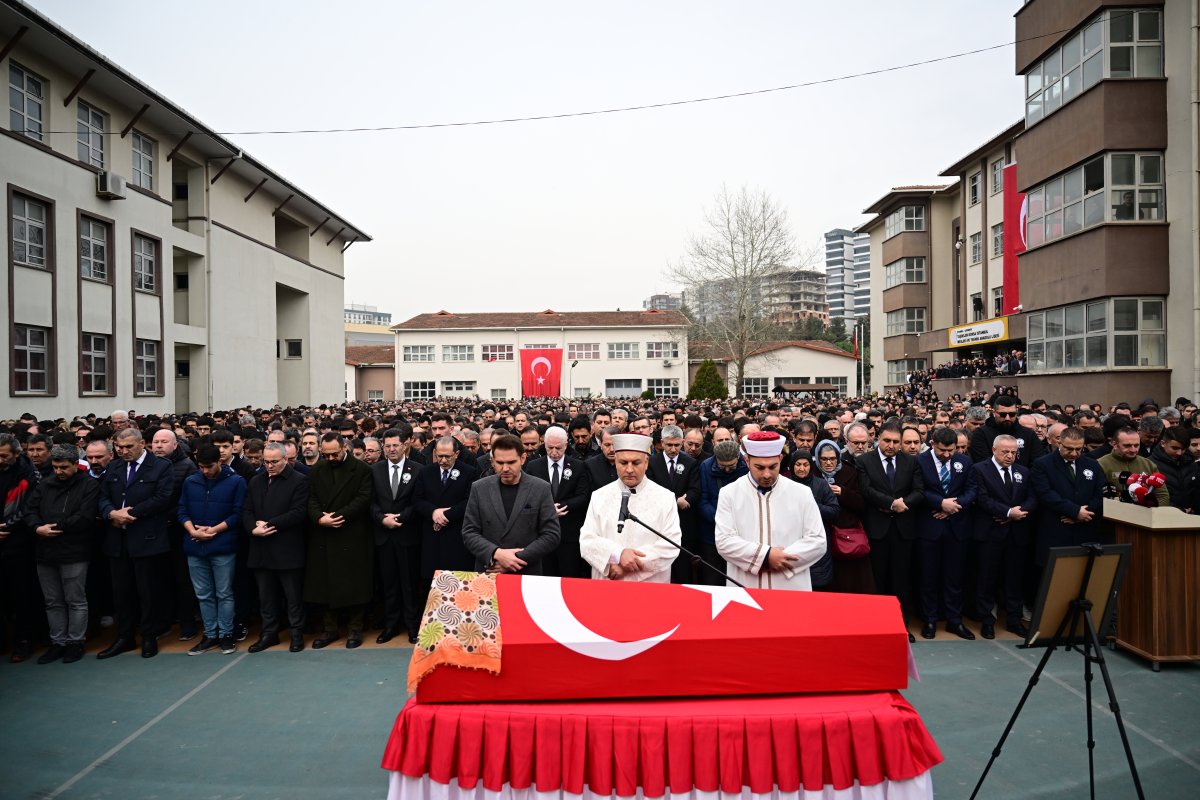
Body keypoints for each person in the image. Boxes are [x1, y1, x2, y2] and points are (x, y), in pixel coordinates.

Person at [97, 427, 175, 659]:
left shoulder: (161, 466)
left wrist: (130, 513)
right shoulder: (114, 467)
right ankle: (125, 636)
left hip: (146, 538)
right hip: (117, 539)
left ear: (142, 444)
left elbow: (163, 498)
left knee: (147, 591)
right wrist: (111, 513)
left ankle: (149, 635)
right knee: (121, 592)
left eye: (129, 447)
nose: (124, 451)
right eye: (119, 447)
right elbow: (102, 496)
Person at [715, 431, 827, 590]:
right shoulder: (729, 493)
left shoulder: (802, 493)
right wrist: (765, 557)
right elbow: (724, 541)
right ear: (746, 460)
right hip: (746, 587)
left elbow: (817, 541)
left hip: (790, 586)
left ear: (780, 459)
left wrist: (780, 559)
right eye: (759, 467)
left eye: (773, 467)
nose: (767, 474)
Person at [23, 444, 99, 664]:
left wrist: (54, 527)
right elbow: (29, 509)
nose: (59, 471)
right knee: (53, 601)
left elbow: (85, 516)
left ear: (76, 464)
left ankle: (75, 642)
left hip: (74, 550)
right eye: (56, 467)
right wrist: (37, 527)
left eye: (64, 467)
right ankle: (58, 642)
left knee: (75, 599)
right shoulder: (45, 484)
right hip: (45, 550)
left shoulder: (89, 485)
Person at [304, 433, 374, 649]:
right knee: (326, 585)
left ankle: (355, 629)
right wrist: (319, 518)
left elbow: (363, 499)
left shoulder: (361, 469)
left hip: (351, 533)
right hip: (324, 534)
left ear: (345, 448)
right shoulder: (317, 469)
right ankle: (330, 629)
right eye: (326, 455)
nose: (331, 458)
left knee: (355, 584)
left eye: (334, 454)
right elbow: (311, 499)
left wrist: (337, 516)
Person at [580, 433, 680, 582]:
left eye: (636, 463)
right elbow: (587, 540)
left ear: (646, 463)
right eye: (623, 462)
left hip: (650, 585)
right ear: (616, 461)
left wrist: (626, 566)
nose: (629, 469)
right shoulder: (599, 496)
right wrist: (617, 554)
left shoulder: (665, 497)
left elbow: (671, 545)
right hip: (609, 580)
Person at [857, 422, 925, 640]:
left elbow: (919, 491)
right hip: (877, 530)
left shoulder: (911, 462)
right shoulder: (864, 461)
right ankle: (878, 626)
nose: (891, 445)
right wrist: (890, 503)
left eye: (896, 441)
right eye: (887, 440)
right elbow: (866, 489)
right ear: (878, 438)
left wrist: (902, 504)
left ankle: (901, 626)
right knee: (878, 580)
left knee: (901, 580)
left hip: (903, 530)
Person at [178, 445, 247, 656]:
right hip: (194, 545)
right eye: (201, 467)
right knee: (203, 594)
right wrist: (192, 530)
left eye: (209, 466)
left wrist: (214, 530)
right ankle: (210, 634)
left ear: (220, 462)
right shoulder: (190, 482)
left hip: (223, 546)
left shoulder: (236, 481)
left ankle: (226, 634)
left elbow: (238, 514)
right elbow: (182, 510)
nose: (205, 471)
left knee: (224, 592)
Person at [242, 442, 310, 653]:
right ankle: (269, 634)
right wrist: (253, 528)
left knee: (293, 597)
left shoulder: (299, 480)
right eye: (266, 462)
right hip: (261, 548)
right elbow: (247, 509)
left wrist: (269, 525)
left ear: (285, 459)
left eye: (274, 462)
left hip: (287, 549)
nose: (269, 466)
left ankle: (296, 634)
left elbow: (298, 512)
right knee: (266, 597)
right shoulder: (256, 480)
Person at [461, 434, 560, 575]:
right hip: (489, 572)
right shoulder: (479, 488)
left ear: (523, 459)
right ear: (492, 461)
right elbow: (469, 532)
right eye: (500, 463)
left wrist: (514, 560)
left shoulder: (540, 488)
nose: (505, 468)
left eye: (511, 462)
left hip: (526, 573)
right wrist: (497, 554)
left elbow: (551, 535)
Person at [969, 434, 1037, 639]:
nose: (1009, 456)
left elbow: (1033, 497)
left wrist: (1019, 512)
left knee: (1015, 578)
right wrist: (1007, 512)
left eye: (1013, 452)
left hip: (1016, 534)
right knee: (987, 578)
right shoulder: (979, 469)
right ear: (994, 450)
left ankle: (1014, 620)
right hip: (990, 533)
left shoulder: (1023, 471)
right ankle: (987, 620)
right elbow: (982, 498)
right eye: (1005, 452)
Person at [915, 427, 977, 640]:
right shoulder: (920, 461)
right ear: (933, 444)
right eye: (943, 450)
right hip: (929, 527)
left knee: (954, 577)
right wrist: (940, 503)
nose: (948, 454)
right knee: (928, 576)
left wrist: (952, 507)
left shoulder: (964, 461)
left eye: (951, 450)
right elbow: (919, 490)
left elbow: (972, 490)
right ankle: (930, 619)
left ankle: (954, 620)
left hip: (957, 527)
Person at [370, 426, 422, 644]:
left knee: (409, 584)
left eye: (395, 445)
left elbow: (418, 502)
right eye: (387, 446)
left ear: (405, 445)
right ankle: (390, 626)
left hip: (407, 535)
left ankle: (412, 626)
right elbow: (370, 501)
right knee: (388, 584)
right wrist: (382, 518)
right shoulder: (375, 470)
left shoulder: (418, 469)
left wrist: (400, 517)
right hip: (383, 536)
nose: (391, 449)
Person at [1030, 427, 1105, 565]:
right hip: (1056, 529)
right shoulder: (1042, 464)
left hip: (1085, 529)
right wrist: (1075, 511)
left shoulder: (1092, 464)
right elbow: (1045, 494)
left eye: (1078, 449)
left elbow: (1100, 493)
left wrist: (1084, 513)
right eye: (1069, 449)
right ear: (1060, 443)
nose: (1074, 453)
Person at [524, 426, 591, 578]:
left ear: (566, 445)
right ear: (544, 444)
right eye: (550, 448)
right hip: (541, 533)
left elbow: (582, 496)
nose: (554, 452)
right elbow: (527, 496)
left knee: (569, 575)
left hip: (569, 533)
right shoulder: (534, 466)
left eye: (558, 448)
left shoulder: (578, 466)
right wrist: (548, 509)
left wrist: (560, 507)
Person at [411, 435, 478, 588]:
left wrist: (445, 515)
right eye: (439, 456)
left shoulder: (469, 472)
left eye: (447, 456)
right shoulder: (426, 472)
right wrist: (433, 512)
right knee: (432, 581)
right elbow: (417, 499)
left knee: (457, 581)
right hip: (432, 535)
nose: (443, 460)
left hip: (456, 534)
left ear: (457, 454)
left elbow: (469, 501)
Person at [814, 438, 873, 594]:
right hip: (821, 532)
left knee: (848, 580)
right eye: (824, 459)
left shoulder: (849, 471)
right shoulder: (812, 473)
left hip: (845, 533)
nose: (828, 463)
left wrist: (843, 492)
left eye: (832, 459)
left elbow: (862, 502)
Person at [0, 434, 39, 662]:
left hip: (19, 543)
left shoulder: (29, 474)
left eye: (4, 456)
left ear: (17, 453)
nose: (0, 460)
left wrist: (8, 527)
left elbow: (29, 507)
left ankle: (23, 641)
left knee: (22, 595)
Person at [646, 425, 701, 584]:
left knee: (682, 568)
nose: (673, 449)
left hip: (683, 523)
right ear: (662, 443)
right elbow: (650, 490)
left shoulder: (690, 462)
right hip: (658, 521)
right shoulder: (652, 462)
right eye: (669, 445)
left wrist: (688, 499)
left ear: (682, 443)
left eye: (677, 445)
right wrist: (675, 501)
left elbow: (695, 489)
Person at [785, 449, 838, 590]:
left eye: (806, 464)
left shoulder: (821, 485)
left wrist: (811, 505)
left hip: (817, 543)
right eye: (798, 465)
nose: (802, 469)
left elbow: (834, 512)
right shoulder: (784, 486)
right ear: (792, 466)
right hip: (792, 542)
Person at [696, 440, 747, 586]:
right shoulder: (706, 466)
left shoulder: (746, 466)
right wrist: (723, 521)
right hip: (712, 534)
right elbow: (703, 501)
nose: (727, 470)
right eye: (722, 466)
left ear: (738, 457)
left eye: (731, 466)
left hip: (741, 533)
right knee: (712, 578)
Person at [1098, 428, 1170, 506]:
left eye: (1136, 445)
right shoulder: (1101, 464)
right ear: (1114, 444)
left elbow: (1162, 495)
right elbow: (1096, 496)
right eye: (1127, 446)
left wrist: (1150, 509)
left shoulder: (1148, 464)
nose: (1133, 450)